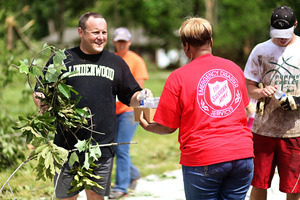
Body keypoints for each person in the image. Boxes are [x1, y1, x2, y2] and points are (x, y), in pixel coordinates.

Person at [33, 12, 152, 200]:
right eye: (95, 32)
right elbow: (40, 91)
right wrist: (44, 107)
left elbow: (131, 96)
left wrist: (143, 97)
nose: (101, 37)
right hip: (66, 147)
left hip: (101, 148)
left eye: (104, 32)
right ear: (81, 32)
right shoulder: (62, 59)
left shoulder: (115, 63)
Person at [139, 17, 254, 200]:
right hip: (242, 155)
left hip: (204, 157)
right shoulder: (234, 68)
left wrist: (147, 126)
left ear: (186, 46)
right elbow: (246, 109)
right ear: (211, 42)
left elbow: (168, 127)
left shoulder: (178, 77)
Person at [244, 5, 300, 200]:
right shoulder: (261, 50)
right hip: (263, 129)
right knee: (259, 183)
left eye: (286, 33)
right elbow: (249, 86)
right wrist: (260, 92)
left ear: (295, 25)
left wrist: (297, 101)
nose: (282, 38)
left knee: (293, 188)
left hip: (295, 131)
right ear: (270, 25)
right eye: (277, 33)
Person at [109, 27, 149, 199]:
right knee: (114, 147)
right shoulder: (110, 60)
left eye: (124, 41)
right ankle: (132, 174)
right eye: (119, 41)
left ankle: (121, 187)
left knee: (121, 148)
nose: (122, 44)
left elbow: (138, 91)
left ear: (129, 42)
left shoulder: (136, 61)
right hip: (111, 111)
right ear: (114, 42)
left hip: (128, 111)